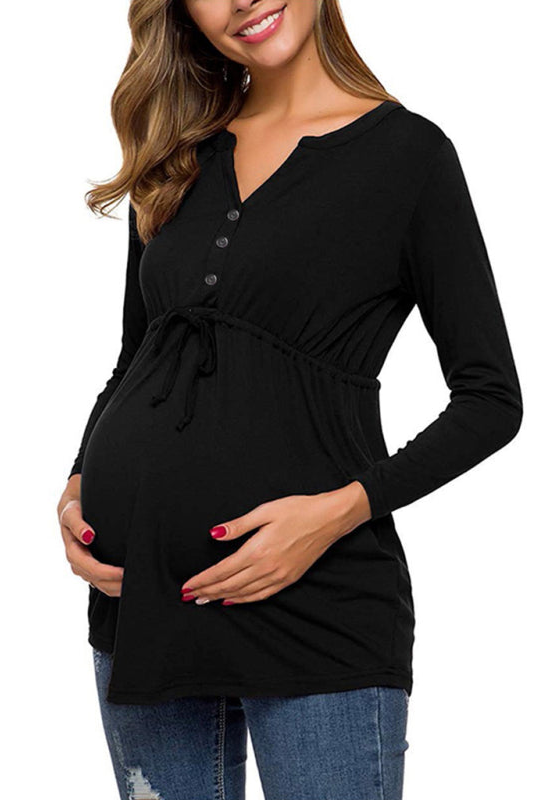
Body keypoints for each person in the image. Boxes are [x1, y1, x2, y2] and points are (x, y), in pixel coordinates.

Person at [56, 1, 523, 798]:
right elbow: (139, 358)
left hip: (318, 606)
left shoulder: (409, 156)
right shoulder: (177, 156)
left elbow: (490, 399)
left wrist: (333, 516)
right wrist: (78, 486)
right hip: (142, 602)